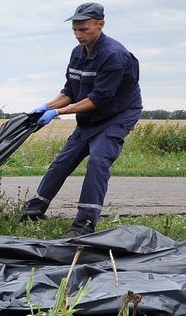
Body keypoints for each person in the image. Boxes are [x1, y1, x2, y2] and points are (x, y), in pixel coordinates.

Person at [23, 3, 142, 237]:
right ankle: (34, 210)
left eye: (84, 30)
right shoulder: (78, 52)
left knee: (98, 161)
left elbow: (97, 99)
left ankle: (84, 224)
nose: (78, 35)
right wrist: (45, 106)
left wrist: (57, 113)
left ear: (100, 25)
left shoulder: (114, 55)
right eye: (75, 30)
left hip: (116, 116)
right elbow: (70, 91)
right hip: (91, 117)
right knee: (63, 161)